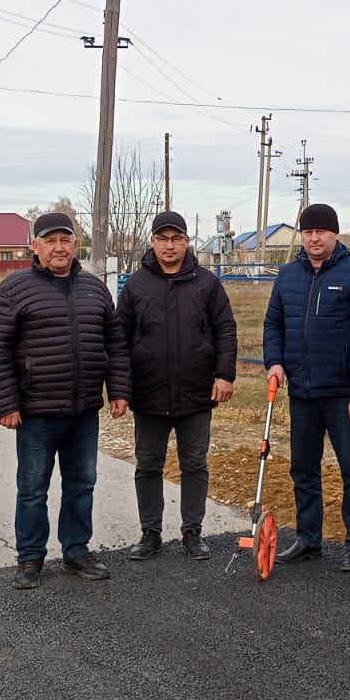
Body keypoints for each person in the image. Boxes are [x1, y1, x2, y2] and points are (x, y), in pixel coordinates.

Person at [0, 211, 131, 590]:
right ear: (35, 246)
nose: (59, 247)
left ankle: (77, 550)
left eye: (65, 239)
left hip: (83, 411)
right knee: (33, 487)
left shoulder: (95, 289)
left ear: (75, 244)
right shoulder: (14, 288)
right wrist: (6, 404)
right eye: (50, 240)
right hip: (35, 413)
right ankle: (30, 557)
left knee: (82, 483)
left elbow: (114, 343)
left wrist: (119, 390)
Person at [117, 210, 237, 561]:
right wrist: (121, 389)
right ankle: (150, 533)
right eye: (162, 239)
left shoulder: (206, 283)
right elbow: (119, 338)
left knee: (195, 464)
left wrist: (224, 374)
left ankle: (192, 532)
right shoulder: (137, 284)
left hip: (196, 393)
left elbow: (225, 328)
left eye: (177, 239)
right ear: (152, 242)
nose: (170, 246)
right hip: (149, 393)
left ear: (186, 242)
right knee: (148, 465)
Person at [262, 203, 350, 572]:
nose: (314, 238)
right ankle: (309, 537)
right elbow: (273, 324)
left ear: (335, 234)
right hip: (302, 392)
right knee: (303, 468)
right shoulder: (288, 275)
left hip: (342, 394)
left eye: (321, 232)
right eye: (308, 231)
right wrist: (274, 362)